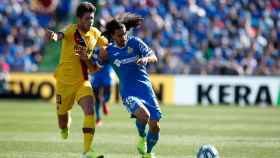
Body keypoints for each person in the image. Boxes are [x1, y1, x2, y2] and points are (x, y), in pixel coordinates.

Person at [78, 13, 161, 158]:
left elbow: (154, 56)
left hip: (146, 90)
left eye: (124, 34)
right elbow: (94, 69)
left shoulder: (135, 42)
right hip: (128, 92)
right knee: (144, 116)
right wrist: (86, 59)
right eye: (119, 35)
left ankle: (147, 153)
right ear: (112, 35)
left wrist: (146, 59)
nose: (123, 38)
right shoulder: (108, 52)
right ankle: (141, 137)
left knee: (155, 126)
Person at [45, 2, 107, 158]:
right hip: (64, 84)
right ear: (79, 19)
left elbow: (109, 46)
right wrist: (53, 36)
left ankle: (87, 151)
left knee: (90, 109)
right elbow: (59, 35)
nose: (90, 21)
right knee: (63, 123)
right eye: (87, 18)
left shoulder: (95, 33)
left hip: (82, 82)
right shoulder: (71, 29)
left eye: (92, 18)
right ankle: (64, 127)